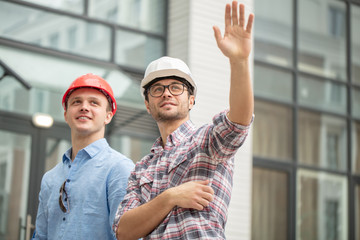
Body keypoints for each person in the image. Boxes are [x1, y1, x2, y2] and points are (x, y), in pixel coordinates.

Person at [113, 1, 254, 239]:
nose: (166, 93)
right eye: (157, 89)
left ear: (191, 100)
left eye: (176, 87)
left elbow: (238, 123)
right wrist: (171, 196)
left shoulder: (207, 142)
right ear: (148, 105)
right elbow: (124, 231)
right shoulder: (142, 169)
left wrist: (238, 61)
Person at [32, 73, 135, 240]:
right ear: (66, 115)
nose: (84, 107)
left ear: (108, 116)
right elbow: (41, 236)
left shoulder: (120, 169)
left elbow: (127, 235)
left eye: (94, 102)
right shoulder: (50, 178)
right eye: (76, 102)